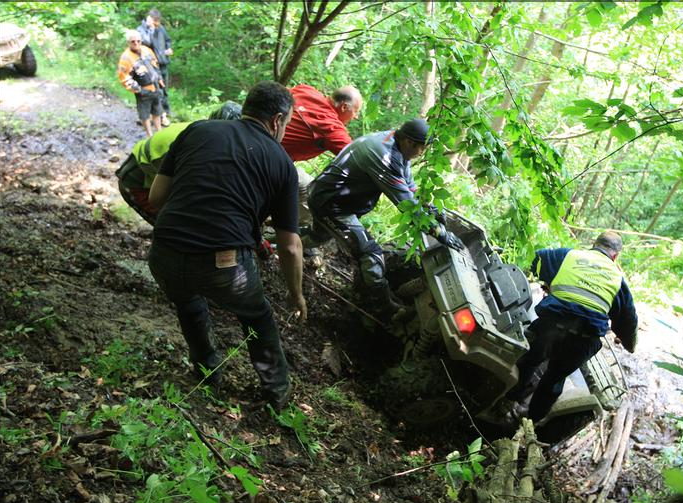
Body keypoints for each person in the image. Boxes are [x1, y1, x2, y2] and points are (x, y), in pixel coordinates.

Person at [147, 81, 306, 409]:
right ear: (277, 120)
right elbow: (290, 247)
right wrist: (295, 294)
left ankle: (207, 374)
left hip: (163, 253)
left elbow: (156, 197)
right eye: (287, 124)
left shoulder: (197, 131)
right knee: (257, 316)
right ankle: (278, 397)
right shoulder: (282, 163)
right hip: (224, 264)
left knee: (188, 304)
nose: (285, 131)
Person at [303, 118, 464, 317]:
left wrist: (430, 208)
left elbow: (409, 189)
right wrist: (441, 234)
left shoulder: (396, 146)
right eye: (421, 148)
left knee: (317, 237)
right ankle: (383, 308)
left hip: (332, 199)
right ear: (409, 142)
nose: (421, 153)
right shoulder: (384, 155)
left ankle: (275, 241)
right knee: (370, 254)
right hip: (331, 205)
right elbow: (407, 207)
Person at [505, 231, 638, 424]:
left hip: (550, 325)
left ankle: (509, 400)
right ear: (615, 256)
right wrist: (629, 344)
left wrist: (549, 283)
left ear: (594, 244)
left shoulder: (568, 255)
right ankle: (530, 422)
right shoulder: (618, 280)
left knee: (528, 360)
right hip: (583, 340)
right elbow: (629, 324)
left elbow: (535, 260)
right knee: (554, 380)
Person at [115, 102, 242, 224]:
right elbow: (188, 194)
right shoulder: (190, 144)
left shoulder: (202, 133)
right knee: (180, 229)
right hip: (138, 183)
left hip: (155, 177)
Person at [281, 84, 363, 267]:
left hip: (257, 139)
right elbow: (359, 157)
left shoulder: (306, 90)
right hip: (269, 159)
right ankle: (295, 236)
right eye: (355, 111)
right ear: (344, 107)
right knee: (308, 190)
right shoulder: (332, 127)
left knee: (298, 179)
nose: (355, 116)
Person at [117, 29, 164, 137]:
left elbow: (155, 64)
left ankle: (159, 133)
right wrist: (139, 90)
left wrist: (160, 78)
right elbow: (124, 77)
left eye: (138, 41)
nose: (136, 43)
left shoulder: (147, 50)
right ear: (128, 42)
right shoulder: (126, 57)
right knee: (144, 114)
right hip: (143, 90)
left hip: (155, 87)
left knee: (157, 111)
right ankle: (149, 135)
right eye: (133, 41)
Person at [137, 9, 173, 126]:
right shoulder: (141, 30)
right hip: (150, 66)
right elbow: (146, 43)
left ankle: (165, 113)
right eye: (154, 21)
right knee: (154, 91)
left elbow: (167, 40)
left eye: (157, 22)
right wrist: (151, 30)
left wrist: (168, 48)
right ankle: (156, 116)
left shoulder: (161, 28)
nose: (156, 24)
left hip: (163, 63)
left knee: (164, 90)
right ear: (149, 19)